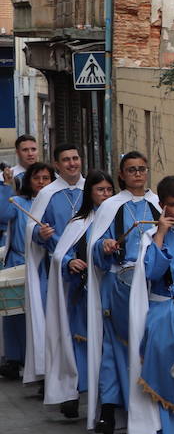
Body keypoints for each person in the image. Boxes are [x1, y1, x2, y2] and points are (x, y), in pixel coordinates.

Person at [87, 152, 162, 434]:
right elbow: (95, 247)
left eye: (142, 169)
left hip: (152, 283)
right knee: (117, 346)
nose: (138, 174)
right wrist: (104, 246)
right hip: (121, 281)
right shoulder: (111, 206)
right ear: (121, 174)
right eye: (131, 170)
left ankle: (147, 409)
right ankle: (111, 410)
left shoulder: (157, 204)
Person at [124, 175, 174, 434]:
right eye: (172, 205)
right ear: (162, 206)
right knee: (162, 352)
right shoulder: (150, 235)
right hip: (162, 308)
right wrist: (161, 236)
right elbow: (152, 271)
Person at [43, 171, 115, 421]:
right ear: (90, 194)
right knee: (82, 346)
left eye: (109, 190)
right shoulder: (80, 222)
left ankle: (108, 401)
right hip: (84, 294)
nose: (105, 195)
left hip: (113, 294)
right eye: (100, 190)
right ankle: (74, 391)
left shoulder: (119, 218)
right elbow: (61, 254)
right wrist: (71, 262)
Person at [25, 143, 85, 386]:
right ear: (57, 165)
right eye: (66, 160)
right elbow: (34, 229)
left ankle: (83, 380)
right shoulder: (47, 193)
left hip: (89, 267)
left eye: (75, 158)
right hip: (58, 271)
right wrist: (43, 234)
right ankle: (62, 381)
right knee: (62, 326)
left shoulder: (92, 188)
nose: (72, 163)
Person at [0, 163, 52, 381]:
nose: (41, 182)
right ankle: (16, 359)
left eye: (46, 178)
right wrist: (6, 185)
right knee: (16, 314)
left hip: (48, 265)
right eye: (36, 178)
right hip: (20, 260)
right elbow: (4, 214)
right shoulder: (20, 203)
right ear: (29, 181)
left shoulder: (54, 201)